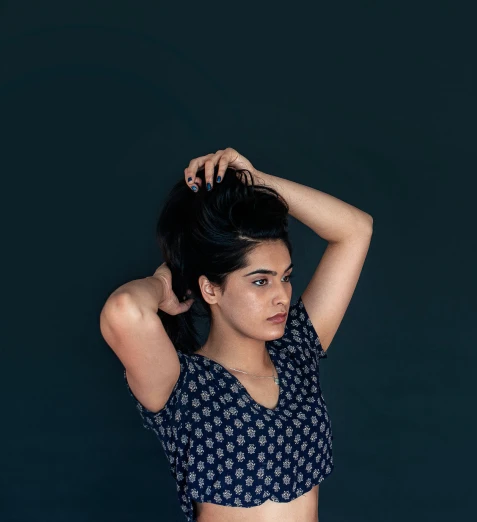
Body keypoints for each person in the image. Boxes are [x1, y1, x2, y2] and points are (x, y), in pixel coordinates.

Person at [99, 148, 373, 522]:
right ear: (210, 289)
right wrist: (165, 282)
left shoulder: (296, 350)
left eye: (286, 277)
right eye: (260, 281)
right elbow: (124, 310)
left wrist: (258, 182)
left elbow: (356, 229)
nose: (282, 295)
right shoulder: (182, 385)